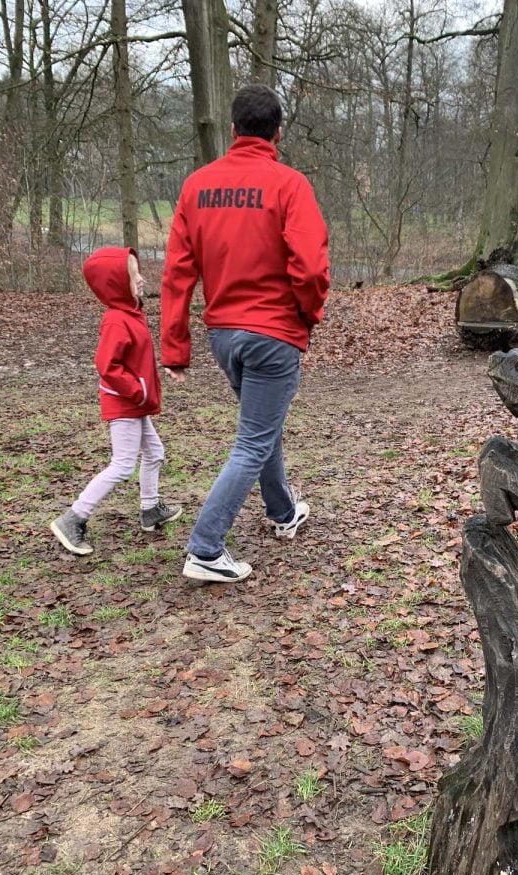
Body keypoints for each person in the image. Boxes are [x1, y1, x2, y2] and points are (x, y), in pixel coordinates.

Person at [160, 83, 330, 584]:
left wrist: (175, 347)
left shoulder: (197, 186)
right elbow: (312, 267)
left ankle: (283, 512)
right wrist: (308, 314)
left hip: (225, 337)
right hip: (273, 333)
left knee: (261, 427)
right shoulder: (289, 184)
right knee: (253, 440)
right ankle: (205, 547)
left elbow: (177, 272)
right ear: (278, 131)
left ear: (233, 130)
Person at [50, 247, 181, 555]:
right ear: (116, 283)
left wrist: (144, 390)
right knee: (122, 465)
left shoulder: (131, 314)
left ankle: (150, 510)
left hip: (135, 403)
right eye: (133, 274)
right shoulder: (116, 320)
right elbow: (107, 366)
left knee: (155, 452)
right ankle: (73, 518)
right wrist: (138, 390)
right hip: (124, 404)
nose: (141, 279)